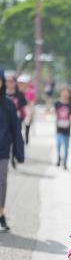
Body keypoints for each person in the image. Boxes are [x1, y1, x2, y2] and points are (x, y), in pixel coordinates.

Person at [0, 69, 25, 232]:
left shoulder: (8, 103)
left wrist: (18, 151)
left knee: (1, 182)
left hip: (2, 149)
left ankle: (1, 213)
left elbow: (16, 129)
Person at [5, 71, 27, 169]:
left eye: (11, 81)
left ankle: (14, 157)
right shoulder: (3, 94)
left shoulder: (19, 95)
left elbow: (24, 108)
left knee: (16, 140)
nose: (9, 83)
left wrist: (27, 117)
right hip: (4, 122)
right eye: (7, 81)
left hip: (16, 121)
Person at [54, 85, 71, 170]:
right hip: (58, 128)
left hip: (67, 129)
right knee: (58, 145)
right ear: (60, 92)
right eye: (64, 91)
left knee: (66, 147)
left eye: (67, 92)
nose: (65, 93)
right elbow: (53, 112)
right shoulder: (57, 103)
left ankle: (65, 163)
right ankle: (59, 158)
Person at [18, 75, 36, 145]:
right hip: (19, 112)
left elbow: (32, 103)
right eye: (20, 82)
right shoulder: (17, 91)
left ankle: (26, 139)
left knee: (27, 125)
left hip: (27, 111)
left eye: (23, 83)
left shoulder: (31, 91)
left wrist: (30, 113)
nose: (21, 84)